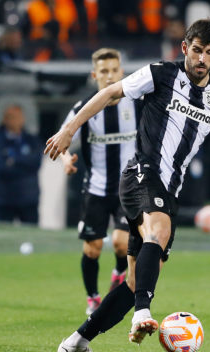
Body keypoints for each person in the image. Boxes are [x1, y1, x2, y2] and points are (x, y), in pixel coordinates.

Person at [45, 19, 210, 352]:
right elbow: (110, 93)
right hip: (142, 173)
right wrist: (69, 130)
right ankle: (143, 313)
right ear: (185, 48)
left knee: (134, 281)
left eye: (209, 52)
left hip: (169, 190)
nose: (201, 58)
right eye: (196, 50)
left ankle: (78, 341)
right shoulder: (161, 74)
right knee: (159, 231)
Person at [59, 48, 139, 315]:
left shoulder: (136, 104)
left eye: (114, 70)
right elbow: (63, 139)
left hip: (128, 188)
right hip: (96, 188)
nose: (109, 76)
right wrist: (66, 160)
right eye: (103, 71)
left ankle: (118, 272)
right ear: (95, 75)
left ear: (122, 73)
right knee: (92, 249)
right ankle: (93, 297)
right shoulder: (83, 108)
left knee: (121, 243)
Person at [0, 104, 43, 224]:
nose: (15, 120)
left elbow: (36, 163)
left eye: (18, 117)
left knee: (30, 231)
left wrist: (14, 161)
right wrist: (24, 165)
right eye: (11, 117)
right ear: (5, 120)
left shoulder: (32, 140)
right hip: (4, 198)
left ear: (23, 119)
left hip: (28, 197)